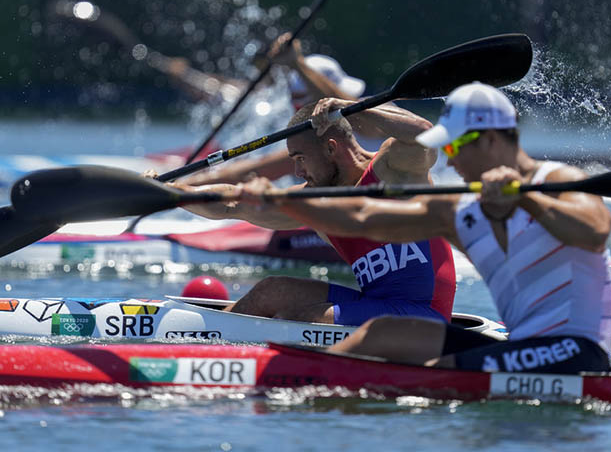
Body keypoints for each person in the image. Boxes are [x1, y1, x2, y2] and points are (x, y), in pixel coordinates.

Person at [239, 82, 611, 374]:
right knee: (381, 333)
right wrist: (281, 201)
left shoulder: (559, 178)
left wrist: (525, 198)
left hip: (575, 351)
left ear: (488, 140)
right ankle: (297, 384)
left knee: (438, 376)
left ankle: (316, 386)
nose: (449, 165)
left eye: (453, 150)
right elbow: (364, 219)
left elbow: (595, 232)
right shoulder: (461, 210)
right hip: (522, 347)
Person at [169, 90, 457, 326]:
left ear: (331, 148)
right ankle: (206, 337)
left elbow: (426, 134)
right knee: (271, 291)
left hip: (425, 316)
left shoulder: (392, 168)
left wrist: (352, 108)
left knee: (308, 320)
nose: (296, 171)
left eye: (301, 158)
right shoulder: (316, 203)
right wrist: (175, 193)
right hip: (376, 306)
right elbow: (234, 203)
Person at [181, 33, 369, 186]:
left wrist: (297, 64)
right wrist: (182, 186)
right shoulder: (311, 144)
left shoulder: (373, 119)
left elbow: (355, 112)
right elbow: (255, 169)